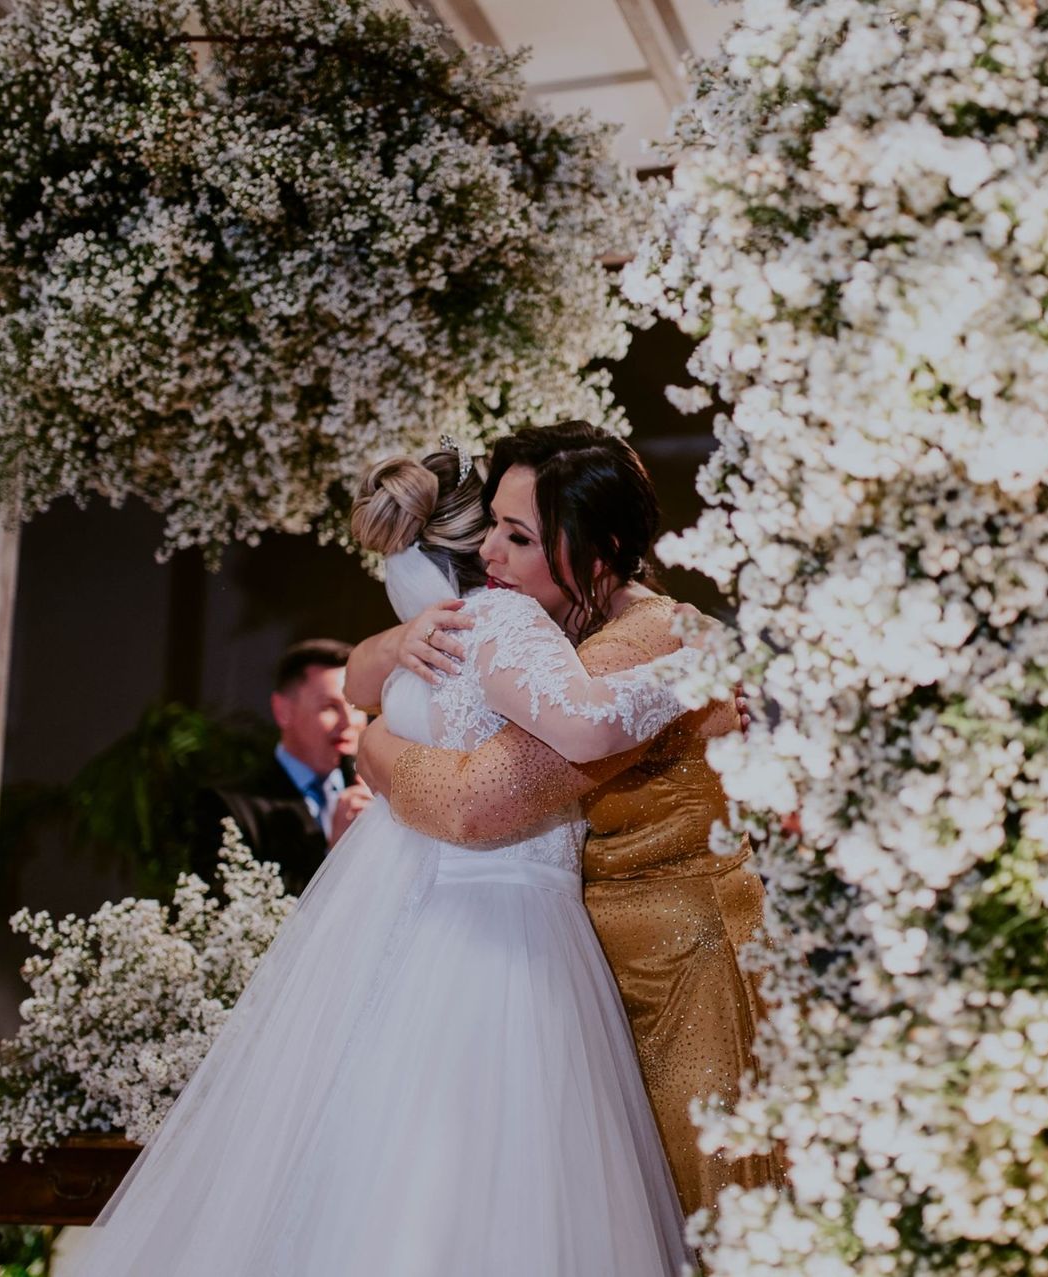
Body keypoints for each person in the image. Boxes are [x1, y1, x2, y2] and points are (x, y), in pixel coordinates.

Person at [62, 446, 694, 1277]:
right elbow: (569, 734)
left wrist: (379, 707)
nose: (505, 555)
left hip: (405, 916)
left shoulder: (427, 636)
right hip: (506, 934)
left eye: (522, 535)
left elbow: (364, 682)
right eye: (500, 535)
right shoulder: (505, 620)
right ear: (476, 553)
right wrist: (701, 666)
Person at [352, 422, 783, 1218]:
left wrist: (374, 747)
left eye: (518, 537)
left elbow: (478, 801)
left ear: (600, 547)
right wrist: (391, 649)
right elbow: (367, 667)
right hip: (621, 968)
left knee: (719, 1216)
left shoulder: (643, 638)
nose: (489, 557)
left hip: (687, 971)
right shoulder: (571, 631)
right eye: (492, 529)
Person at [190, 639, 371, 897]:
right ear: (283, 710)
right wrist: (334, 855)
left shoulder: (378, 790)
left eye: (355, 705)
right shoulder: (227, 806)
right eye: (330, 707)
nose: (348, 721)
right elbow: (230, 912)